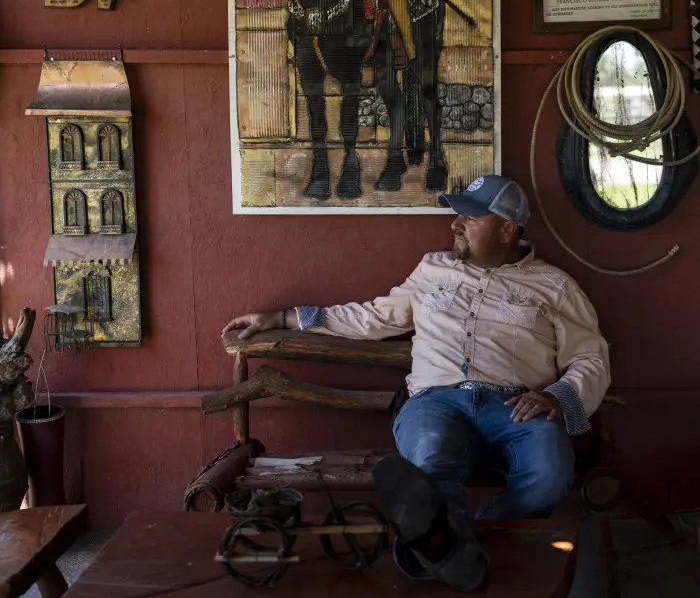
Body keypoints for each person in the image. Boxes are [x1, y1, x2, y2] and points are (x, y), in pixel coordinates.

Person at [222, 175, 611, 591]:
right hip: (436, 404)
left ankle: (452, 544)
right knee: (430, 464)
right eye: (456, 216)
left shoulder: (555, 286)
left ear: (507, 228)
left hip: (516, 408)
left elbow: (590, 357)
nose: (454, 225)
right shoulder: (432, 270)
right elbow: (374, 317)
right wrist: (283, 317)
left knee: (550, 472)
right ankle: (452, 548)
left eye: (469, 217)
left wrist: (557, 395)